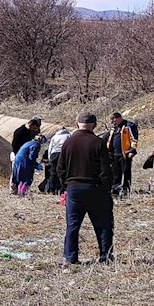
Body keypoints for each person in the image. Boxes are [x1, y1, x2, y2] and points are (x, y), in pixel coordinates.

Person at [57, 112, 114, 265]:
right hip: (95, 189)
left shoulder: (68, 143)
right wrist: (106, 189)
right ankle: (105, 257)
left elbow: (60, 169)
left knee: (73, 226)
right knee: (102, 225)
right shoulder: (98, 142)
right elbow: (105, 170)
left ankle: (70, 258)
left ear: (77, 125)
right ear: (94, 125)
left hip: (74, 189)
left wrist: (66, 185)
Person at [106, 112, 138, 198]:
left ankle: (126, 190)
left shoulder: (129, 126)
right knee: (116, 173)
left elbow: (134, 139)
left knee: (126, 172)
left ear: (119, 118)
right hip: (115, 154)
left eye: (114, 120)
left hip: (125, 153)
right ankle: (115, 190)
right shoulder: (114, 128)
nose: (113, 122)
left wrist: (132, 150)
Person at [10, 116, 42, 194]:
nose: (36, 130)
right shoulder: (20, 131)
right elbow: (14, 145)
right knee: (16, 173)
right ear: (31, 125)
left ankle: (22, 190)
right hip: (17, 154)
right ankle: (13, 190)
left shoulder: (35, 132)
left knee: (25, 174)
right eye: (35, 128)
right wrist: (20, 155)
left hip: (26, 156)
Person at [46, 125, 71, 194]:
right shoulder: (68, 135)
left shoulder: (55, 136)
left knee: (53, 172)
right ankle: (61, 189)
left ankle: (51, 189)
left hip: (54, 154)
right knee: (62, 171)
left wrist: (49, 157)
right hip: (63, 154)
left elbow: (50, 147)